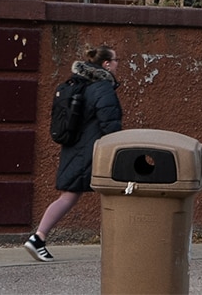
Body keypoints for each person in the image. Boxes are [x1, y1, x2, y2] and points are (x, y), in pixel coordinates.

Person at [24, 44, 122, 263]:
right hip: (93, 151)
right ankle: (38, 237)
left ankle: (39, 237)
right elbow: (110, 123)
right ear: (106, 64)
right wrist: (118, 146)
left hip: (75, 148)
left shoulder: (79, 84)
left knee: (70, 195)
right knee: (115, 191)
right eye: (116, 61)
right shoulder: (102, 88)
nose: (117, 65)